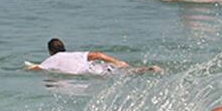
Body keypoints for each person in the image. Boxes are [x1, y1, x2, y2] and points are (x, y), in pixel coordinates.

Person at [26, 38, 159, 75]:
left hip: (88, 74)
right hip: (96, 68)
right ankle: (149, 69)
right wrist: (117, 61)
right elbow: (97, 55)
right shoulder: (75, 54)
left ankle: (147, 70)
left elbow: (36, 68)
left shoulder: (50, 60)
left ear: (50, 51)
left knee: (123, 75)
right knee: (125, 71)